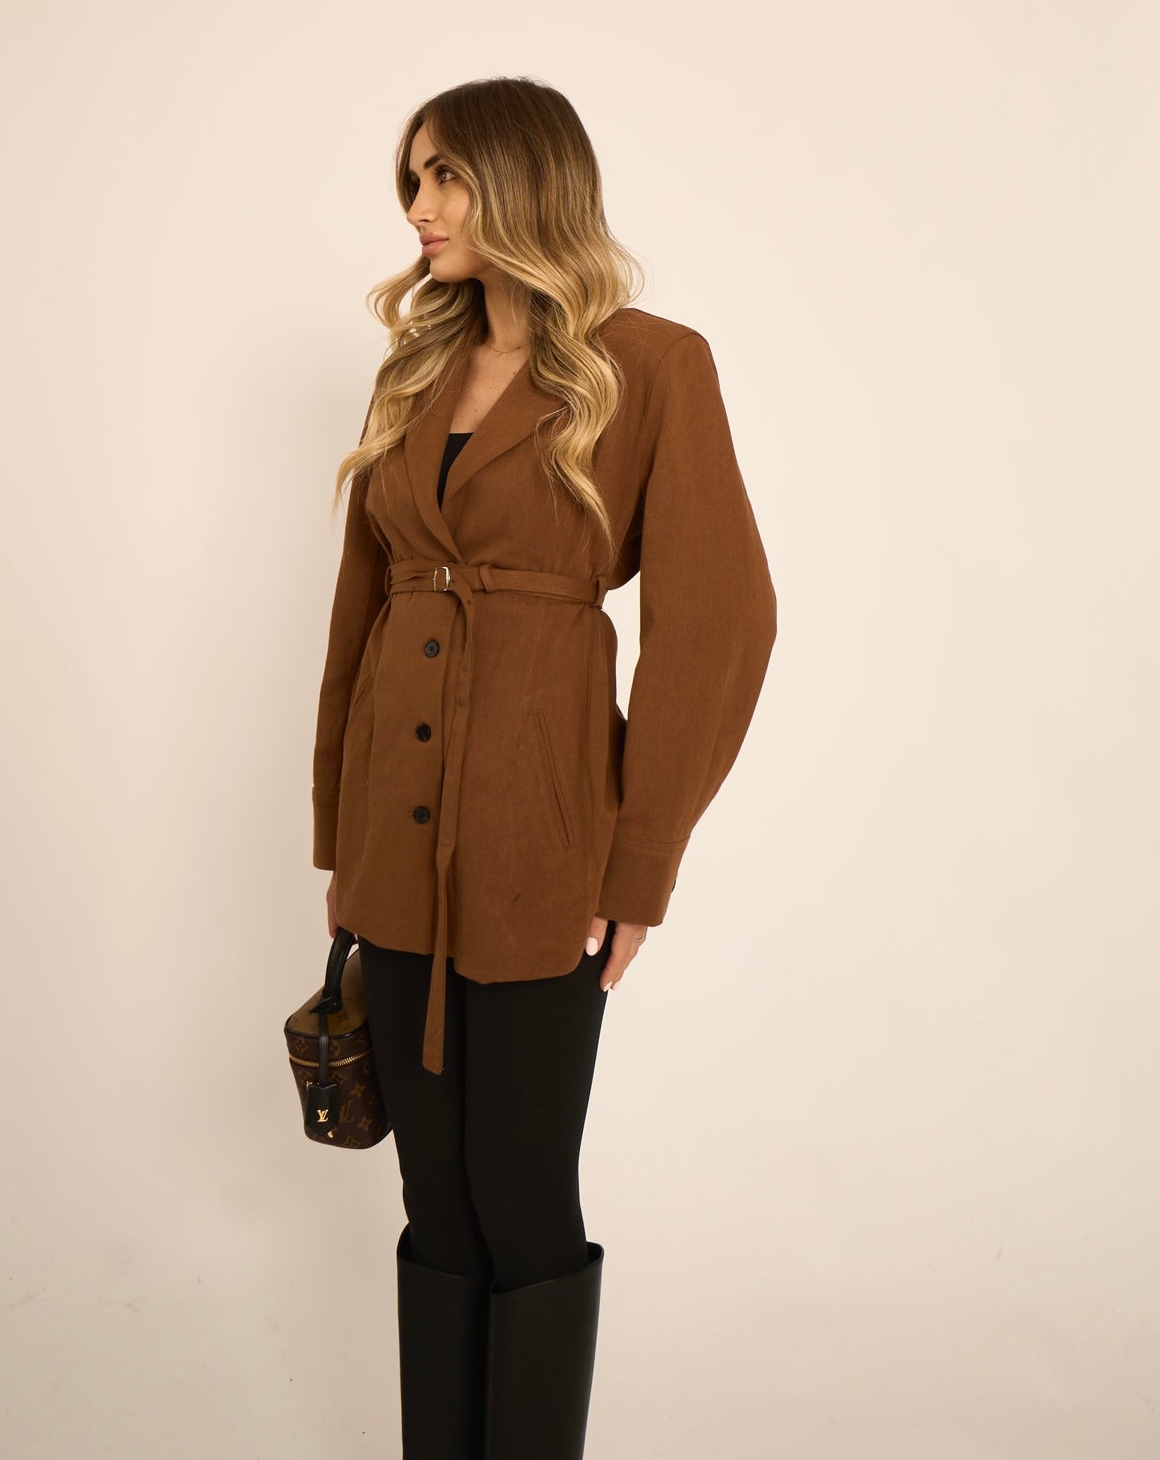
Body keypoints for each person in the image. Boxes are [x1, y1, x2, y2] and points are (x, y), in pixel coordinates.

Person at [310, 75, 777, 1458]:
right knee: (435, 1205)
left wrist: (640, 864)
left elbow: (720, 621)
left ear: (525, 182)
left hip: (543, 840)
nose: (419, 206)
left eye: (446, 176)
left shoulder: (651, 364)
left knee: (520, 1197)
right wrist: (340, 840)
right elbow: (359, 611)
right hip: (395, 845)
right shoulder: (413, 371)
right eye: (412, 179)